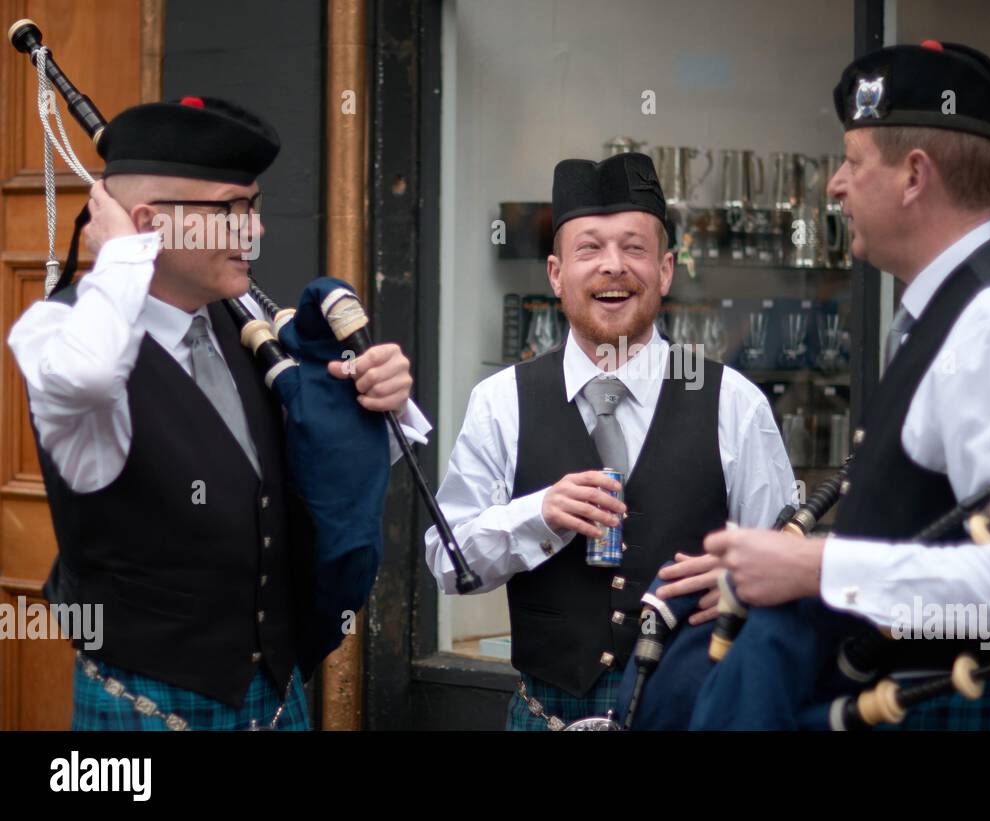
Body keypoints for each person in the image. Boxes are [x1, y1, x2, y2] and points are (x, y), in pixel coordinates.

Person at [692, 41, 990, 730]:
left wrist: (817, 566)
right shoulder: (948, 314)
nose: (835, 184)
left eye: (853, 162)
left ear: (914, 176)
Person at [7, 96, 430, 730]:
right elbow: (92, 375)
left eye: (252, 209)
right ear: (149, 224)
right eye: (232, 211)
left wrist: (377, 399)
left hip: (274, 695)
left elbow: (322, 468)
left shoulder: (250, 329)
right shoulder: (56, 333)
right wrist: (122, 254)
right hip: (148, 705)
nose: (254, 232)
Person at [426, 152, 794, 730]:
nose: (613, 267)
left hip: (693, 711)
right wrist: (537, 516)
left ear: (666, 270)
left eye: (634, 248)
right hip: (548, 715)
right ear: (555, 273)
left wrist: (742, 587)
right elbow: (448, 565)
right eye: (590, 249)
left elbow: (786, 570)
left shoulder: (734, 402)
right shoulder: (500, 400)